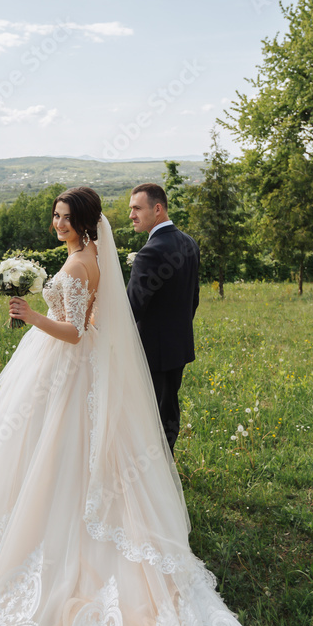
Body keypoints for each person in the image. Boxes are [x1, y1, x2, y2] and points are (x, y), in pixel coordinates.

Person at [0, 186, 299, 626]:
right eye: (52, 215)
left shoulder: (82, 262)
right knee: (56, 462)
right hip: (69, 373)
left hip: (65, 368)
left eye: (62, 215)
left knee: (53, 462)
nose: (55, 222)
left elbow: (76, 332)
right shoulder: (97, 257)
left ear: (81, 221)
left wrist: (31, 315)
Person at [127, 183, 200, 453]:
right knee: (168, 409)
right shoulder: (189, 242)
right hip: (177, 346)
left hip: (151, 349)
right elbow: (193, 298)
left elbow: (131, 308)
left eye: (137, 208)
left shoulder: (150, 252)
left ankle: (154, 475)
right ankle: (164, 467)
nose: (131, 215)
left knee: (149, 413)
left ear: (157, 209)